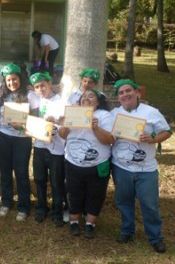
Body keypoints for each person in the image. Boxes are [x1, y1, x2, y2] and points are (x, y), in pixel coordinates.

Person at [111, 79, 172, 253]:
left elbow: (167, 131)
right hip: (121, 167)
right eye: (121, 93)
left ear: (137, 93)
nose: (125, 95)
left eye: (128, 91)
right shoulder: (115, 113)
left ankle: (155, 237)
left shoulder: (151, 112)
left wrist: (153, 139)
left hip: (146, 169)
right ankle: (127, 231)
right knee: (123, 202)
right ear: (118, 98)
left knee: (150, 204)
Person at [59, 89, 114, 239]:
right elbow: (62, 135)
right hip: (73, 163)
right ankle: (74, 222)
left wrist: (95, 128)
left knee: (95, 195)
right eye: (84, 96)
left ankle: (90, 225)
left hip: (97, 165)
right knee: (73, 193)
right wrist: (66, 125)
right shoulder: (73, 113)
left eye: (91, 96)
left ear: (98, 101)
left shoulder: (104, 116)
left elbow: (109, 140)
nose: (86, 98)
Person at [0, 63, 39, 221]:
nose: (11, 83)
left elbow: (37, 118)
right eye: (8, 80)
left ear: (20, 78)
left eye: (14, 79)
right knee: (5, 170)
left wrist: (22, 126)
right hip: (2, 136)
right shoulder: (1, 95)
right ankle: (6, 202)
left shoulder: (30, 95)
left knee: (21, 172)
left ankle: (24, 205)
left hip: (22, 139)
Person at [28, 72, 66, 227]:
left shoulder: (61, 102)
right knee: (39, 178)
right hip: (39, 145)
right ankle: (41, 207)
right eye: (37, 87)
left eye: (43, 85)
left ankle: (57, 211)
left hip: (56, 148)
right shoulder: (36, 101)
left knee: (57, 181)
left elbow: (66, 122)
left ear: (50, 84)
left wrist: (55, 122)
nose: (40, 89)